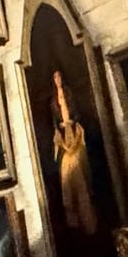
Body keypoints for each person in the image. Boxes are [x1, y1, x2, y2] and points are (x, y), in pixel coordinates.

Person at [50, 70, 98, 235]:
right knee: (66, 181)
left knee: (80, 178)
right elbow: (54, 122)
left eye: (59, 76)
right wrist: (60, 129)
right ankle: (74, 224)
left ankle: (89, 223)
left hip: (75, 135)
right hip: (63, 139)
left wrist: (72, 121)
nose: (58, 79)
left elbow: (77, 113)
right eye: (55, 77)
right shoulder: (53, 101)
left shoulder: (70, 94)